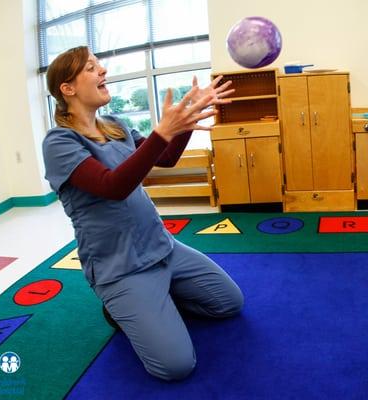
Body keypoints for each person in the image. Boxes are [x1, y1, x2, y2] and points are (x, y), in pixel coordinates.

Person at [42, 46, 243, 381]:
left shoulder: (115, 125)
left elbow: (163, 159)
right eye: (92, 68)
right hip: (121, 266)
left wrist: (186, 121)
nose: (103, 71)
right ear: (68, 88)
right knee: (175, 366)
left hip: (162, 246)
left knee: (229, 303)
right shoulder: (58, 143)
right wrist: (163, 130)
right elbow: (112, 186)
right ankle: (121, 310)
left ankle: (156, 302)